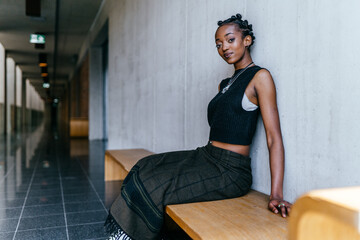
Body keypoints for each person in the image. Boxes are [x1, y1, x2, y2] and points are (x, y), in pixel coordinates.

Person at [105, 13, 291, 240]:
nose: (224, 48)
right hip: (206, 156)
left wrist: (277, 194)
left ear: (247, 40)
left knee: (156, 184)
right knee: (146, 165)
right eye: (218, 44)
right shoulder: (225, 83)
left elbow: (274, 138)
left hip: (231, 172)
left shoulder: (260, 77)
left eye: (230, 40)